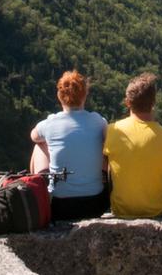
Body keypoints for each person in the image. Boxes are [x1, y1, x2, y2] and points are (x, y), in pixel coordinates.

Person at [29, 69, 110, 221]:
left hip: (60, 206)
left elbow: (33, 136)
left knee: (39, 145)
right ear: (85, 95)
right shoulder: (98, 121)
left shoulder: (50, 123)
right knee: (104, 146)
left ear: (59, 96)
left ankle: (41, 191)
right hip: (96, 204)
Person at [104, 72, 162, 218]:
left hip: (122, 209)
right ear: (153, 103)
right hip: (160, 209)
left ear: (128, 102)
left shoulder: (112, 131)